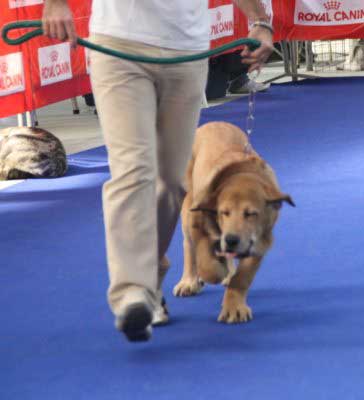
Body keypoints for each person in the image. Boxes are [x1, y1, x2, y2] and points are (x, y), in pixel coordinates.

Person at [41, 0, 274, 342]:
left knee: (172, 185)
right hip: (118, 46)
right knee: (133, 171)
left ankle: (151, 271)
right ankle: (133, 292)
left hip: (186, 54)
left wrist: (260, 20)